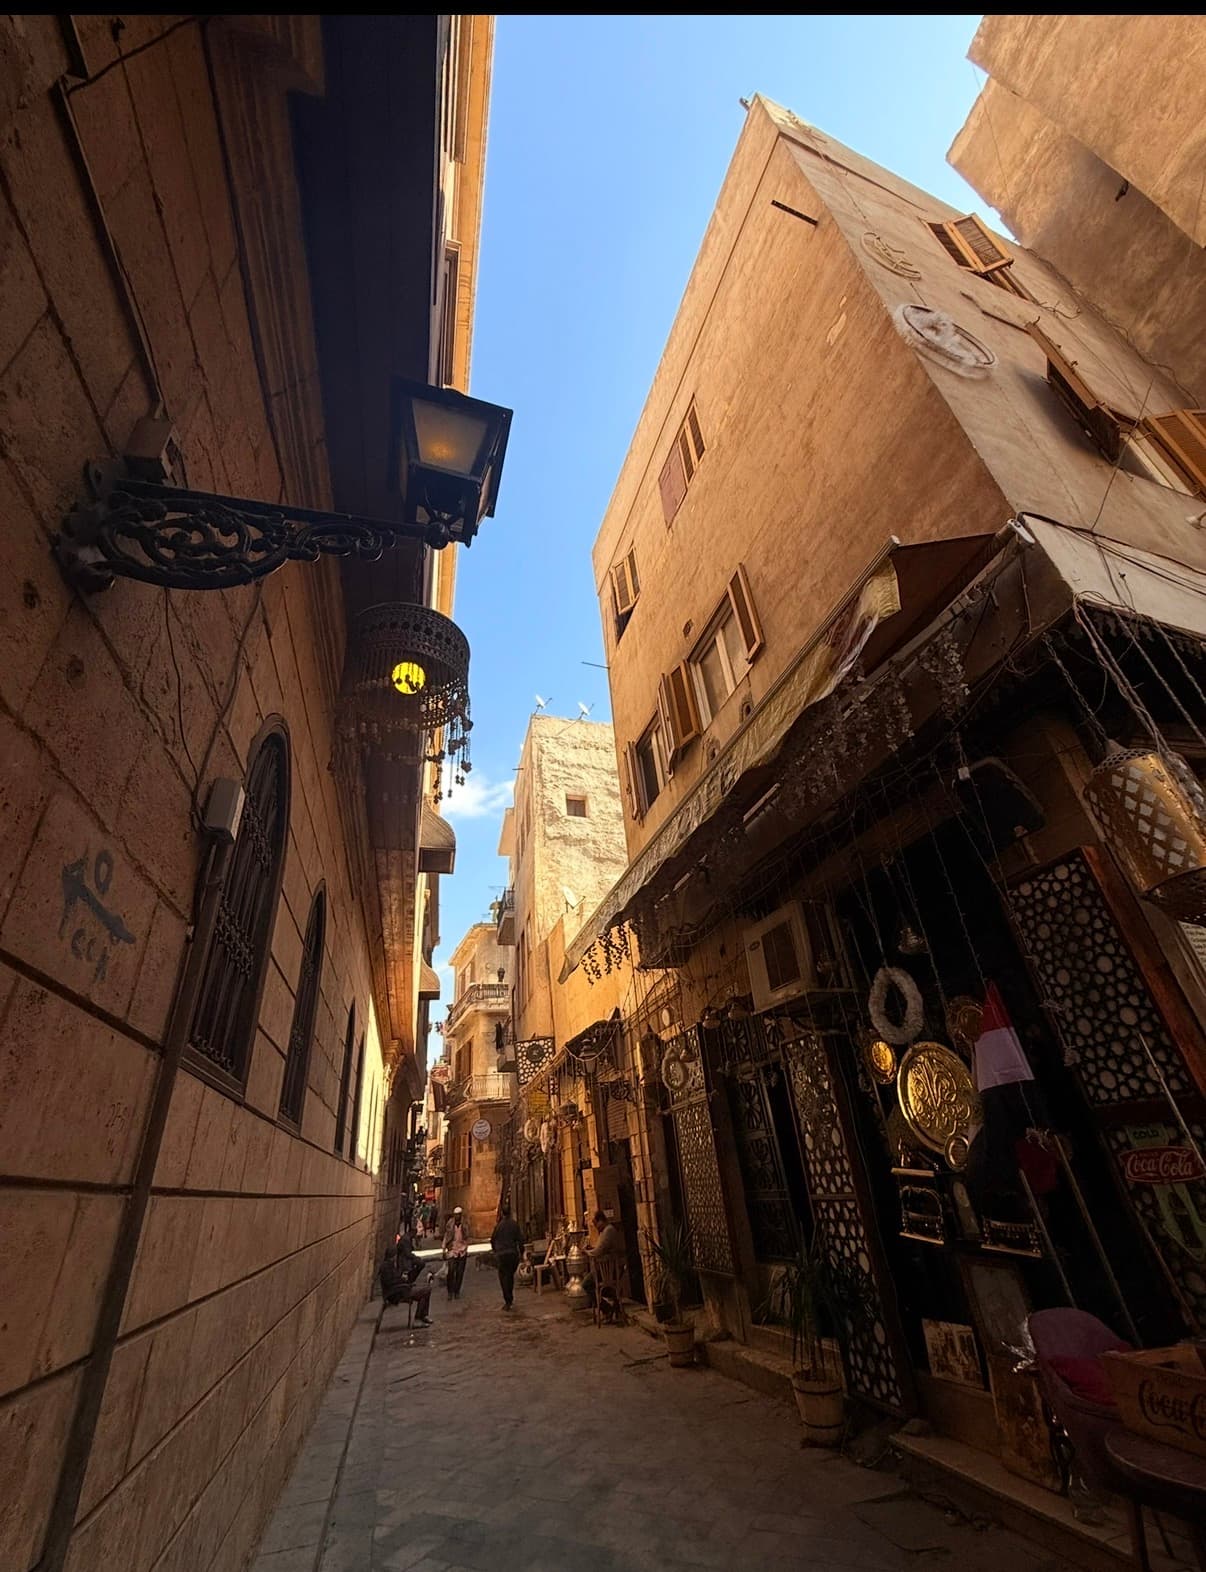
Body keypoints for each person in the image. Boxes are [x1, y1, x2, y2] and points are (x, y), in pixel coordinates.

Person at [582, 1210, 626, 1314]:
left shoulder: (608, 1231)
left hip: (609, 1270)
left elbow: (599, 1250)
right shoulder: (605, 1231)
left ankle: (606, 1309)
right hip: (608, 1269)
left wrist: (587, 1252)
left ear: (601, 1221)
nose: (596, 1227)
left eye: (596, 1224)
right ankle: (615, 1305)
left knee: (586, 1284)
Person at [378, 1241, 432, 1325]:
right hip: (395, 1293)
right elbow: (390, 1282)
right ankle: (418, 1318)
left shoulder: (390, 1265)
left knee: (425, 1292)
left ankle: (422, 1316)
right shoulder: (386, 1267)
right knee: (426, 1290)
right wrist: (402, 1280)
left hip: (399, 1289)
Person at [491, 1204, 525, 1311]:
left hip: (501, 1255)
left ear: (502, 1213)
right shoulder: (514, 1225)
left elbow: (492, 1240)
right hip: (512, 1254)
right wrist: (522, 1253)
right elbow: (520, 1240)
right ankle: (509, 1298)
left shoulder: (499, 1226)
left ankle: (507, 1299)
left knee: (503, 1277)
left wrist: (495, 1251)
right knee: (510, 1276)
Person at [442, 1206, 470, 1298]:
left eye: (459, 1215)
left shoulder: (465, 1224)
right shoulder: (450, 1224)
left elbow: (467, 1235)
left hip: (462, 1250)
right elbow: (446, 1236)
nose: (457, 1217)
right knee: (451, 1271)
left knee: (460, 1272)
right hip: (452, 1250)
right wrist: (443, 1249)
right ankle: (450, 1291)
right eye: (456, 1215)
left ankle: (456, 1291)